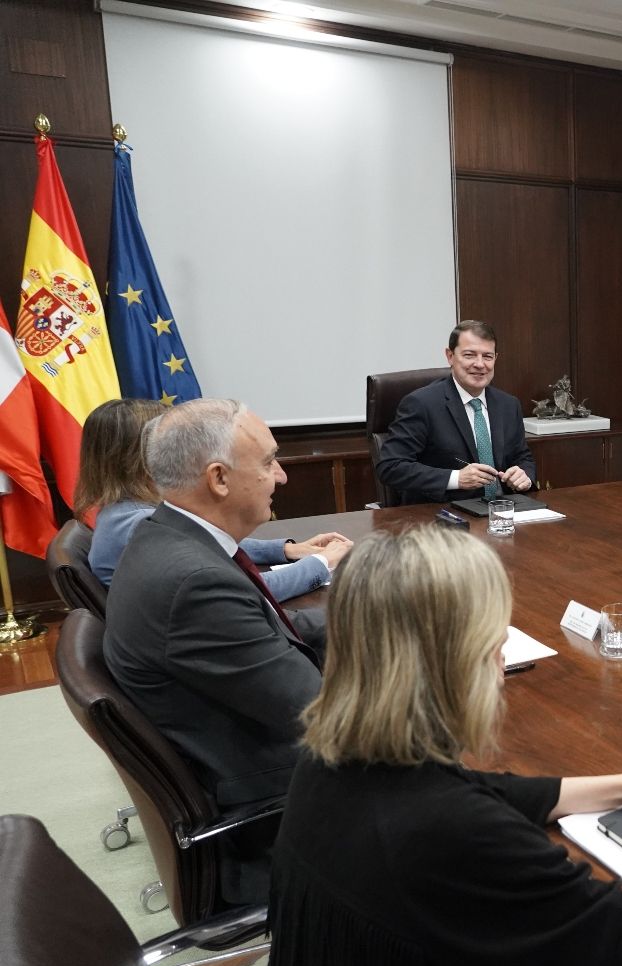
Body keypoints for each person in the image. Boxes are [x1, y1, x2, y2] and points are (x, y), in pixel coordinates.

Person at [262, 526, 622, 966]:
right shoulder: (453, 832)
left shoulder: (329, 757)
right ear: (457, 664)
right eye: (494, 644)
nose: (501, 663)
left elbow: (477, 789)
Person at [104, 399, 326, 904]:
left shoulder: (169, 539)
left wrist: (395, 627)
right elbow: (323, 712)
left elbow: (274, 630)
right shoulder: (195, 583)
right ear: (219, 479)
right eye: (269, 462)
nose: (282, 476)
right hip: (279, 807)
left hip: (245, 759)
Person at [74, 398, 349, 595]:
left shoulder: (124, 511)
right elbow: (255, 594)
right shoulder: (142, 525)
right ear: (146, 457)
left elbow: (210, 540)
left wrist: (286, 550)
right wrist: (323, 563)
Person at [375, 320, 536, 505]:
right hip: (443, 516)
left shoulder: (508, 404)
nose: (480, 364)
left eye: (487, 356)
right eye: (469, 355)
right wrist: (456, 478)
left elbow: (522, 456)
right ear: (450, 356)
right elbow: (391, 467)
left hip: (502, 511)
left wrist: (525, 475)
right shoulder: (421, 404)